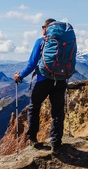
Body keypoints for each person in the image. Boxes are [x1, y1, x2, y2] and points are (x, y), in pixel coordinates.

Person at [13, 18, 68, 155]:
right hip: (60, 80)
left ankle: (32, 138)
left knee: (34, 107)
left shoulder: (42, 41)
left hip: (44, 80)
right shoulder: (65, 43)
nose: (42, 29)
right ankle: (56, 144)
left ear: (46, 28)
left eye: (42, 27)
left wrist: (20, 76)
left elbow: (32, 64)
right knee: (57, 112)